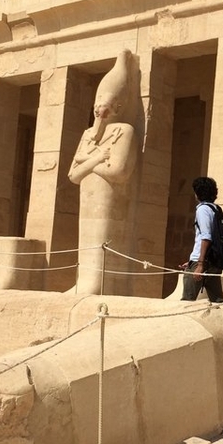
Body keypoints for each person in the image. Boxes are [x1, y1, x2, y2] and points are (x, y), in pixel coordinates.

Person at [67, 50, 137, 295]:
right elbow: (73, 175)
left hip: (110, 198)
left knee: (103, 243)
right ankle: (84, 283)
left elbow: (118, 171)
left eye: (105, 108)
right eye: (96, 108)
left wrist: (86, 160)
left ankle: (96, 285)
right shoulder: (89, 134)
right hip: (88, 197)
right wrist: (97, 158)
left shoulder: (124, 131)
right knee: (85, 243)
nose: (99, 113)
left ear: (117, 107)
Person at [181, 176, 223, 303]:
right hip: (213, 262)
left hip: (202, 263)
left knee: (187, 302)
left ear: (197, 193)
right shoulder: (216, 209)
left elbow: (206, 237)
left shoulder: (203, 209)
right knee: (218, 302)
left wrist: (199, 264)